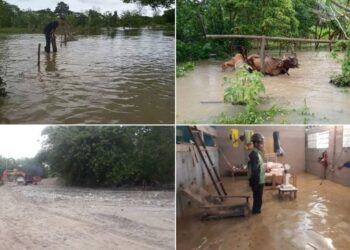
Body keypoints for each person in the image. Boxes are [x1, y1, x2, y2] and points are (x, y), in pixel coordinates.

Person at [247, 133, 265, 214]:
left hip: (259, 180)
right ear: (256, 144)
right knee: (257, 198)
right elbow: (254, 170)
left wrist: (264, 168)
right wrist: (254, 183)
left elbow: (257, 166)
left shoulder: (257, 153)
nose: (262, 145)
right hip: (257, 181)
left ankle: (256, 210)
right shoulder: (254, 155)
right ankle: (255, 212)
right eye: (261, 143)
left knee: (258, 198)